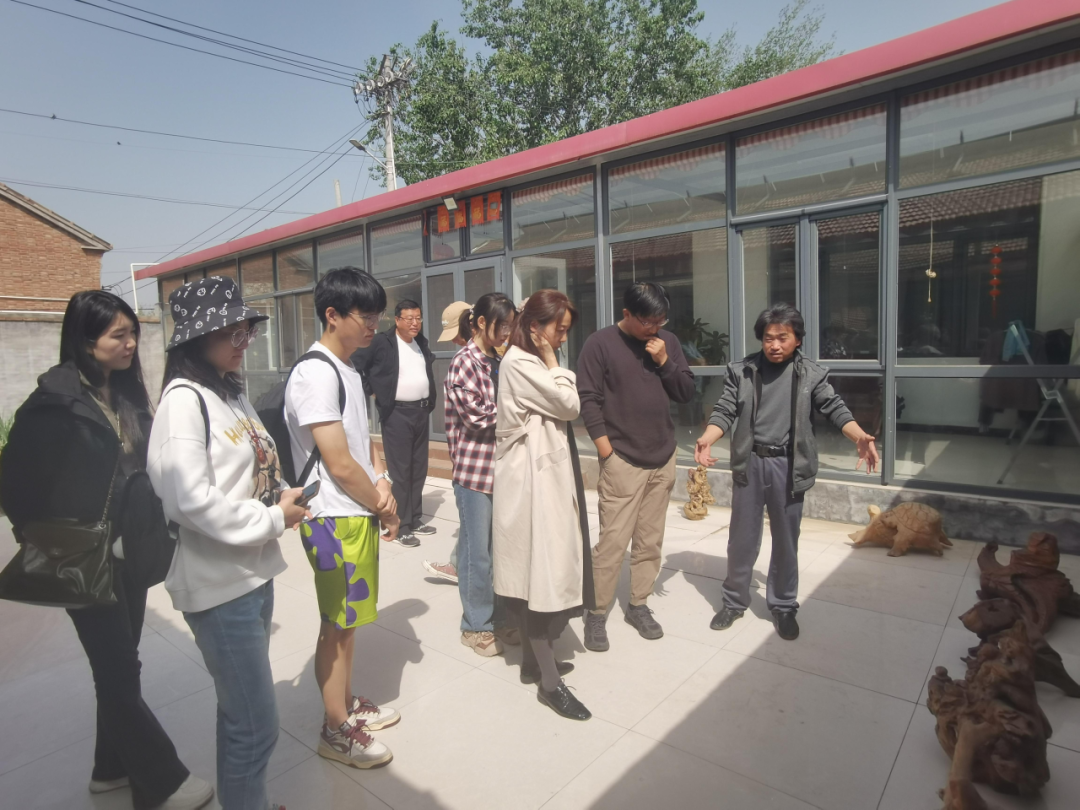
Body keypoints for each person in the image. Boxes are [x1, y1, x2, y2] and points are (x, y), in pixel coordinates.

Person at [0, 291, 213, 810]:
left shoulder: (127, 395)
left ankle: (109, 769)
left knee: (122, 664)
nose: (131, 343)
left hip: (129, 554)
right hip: (81, 561)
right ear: (84, 338)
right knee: (117, 668)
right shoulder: (53, 405)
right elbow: (14, 484)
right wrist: (49, 538)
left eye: (133, 332)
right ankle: (161, 781)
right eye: (119, 334)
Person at [148, 277, 310, 810]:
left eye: (247, 330)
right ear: (196, 339)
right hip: (219, 586)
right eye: (229, 332)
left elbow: (247, 470)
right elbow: (188, 500)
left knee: (239, 715)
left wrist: (279, 497)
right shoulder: (183, 402)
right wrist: (271, 517)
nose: (243, 341)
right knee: (257, 726)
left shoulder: (230, 392)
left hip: (251, 575)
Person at [695, 303, 879, 641]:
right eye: (769, 338)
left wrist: (859, 436)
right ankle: (734, 601)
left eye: (783, 338)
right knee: (741, 540)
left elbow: (834, 407)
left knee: (785, 541)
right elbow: (725, 409)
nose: (775, 345)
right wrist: (708, 438)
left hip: (789, 467)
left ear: (797, 339)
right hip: (750, 464)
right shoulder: (742, 371)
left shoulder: (811, 374)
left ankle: (782, 605)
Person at [284, 268, 401, 769]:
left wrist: (383, 481)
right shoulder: (315, 373)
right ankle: (335, 729)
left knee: (348, 623)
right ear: (332, 315)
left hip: (354, 510)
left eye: (378, 316)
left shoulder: (347, 368)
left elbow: (360, 441)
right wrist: (382, 504)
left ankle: (346, 705)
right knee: (336, 625)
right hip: (333, 516)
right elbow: (338, 462)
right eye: (365, 316)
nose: (374, 325)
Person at [576, 282, 695, 651]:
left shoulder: (667, 342)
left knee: (649, 540)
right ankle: (596, 612)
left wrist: (665, 361)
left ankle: (638, 604)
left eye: (661, 321)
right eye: (647, 321)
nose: (654, 328)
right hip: (622, 459)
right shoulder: (600, 343)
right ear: (627, 314)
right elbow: (588, 399)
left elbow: (686, 392)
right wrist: (606, 452)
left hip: (662, 456)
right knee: (612, 542)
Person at [493, 290, 593, 721]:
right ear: (535, 327)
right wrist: (554, 363)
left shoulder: (524, 362)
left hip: (540, 478)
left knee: (541, 569)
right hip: (531, 485)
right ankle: (550, 685)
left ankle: (533, 665)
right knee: (540, 576)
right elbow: (570, 405)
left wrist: (550, 362)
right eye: (559, 329)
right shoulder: (521, 363)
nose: (562, 338)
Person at [443, 293, 522, 657]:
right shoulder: (464, 362)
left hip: (503, 470)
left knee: (500, 551)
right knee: (478, 555)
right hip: (474, 474)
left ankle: (499, 619)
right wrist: (519, 410)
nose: (506, 332)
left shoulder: (500, 358)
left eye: (510, 325)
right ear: (479, 323)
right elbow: (477, 417)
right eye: (500, 325)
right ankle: (475, 626)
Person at [352, 299, 436, 549]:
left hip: (421, 412)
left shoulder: (421, 342)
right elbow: (357, 364)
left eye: (418, 318)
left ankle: (415, 517)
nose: (415, 323)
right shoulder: (382, 342)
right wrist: (373, 391)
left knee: (418, 468)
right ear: (397, 320)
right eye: (409, 318)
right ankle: (402, 525)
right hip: (397, 413)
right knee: (401, 470)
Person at [422, 300, 474, 585]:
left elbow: (477, 417)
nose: (454, 340)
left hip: (473, 463)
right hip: (468, 458)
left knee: (473, 520)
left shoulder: (467, 360)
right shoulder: (476, 357)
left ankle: (459, 567)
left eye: (456, 332)